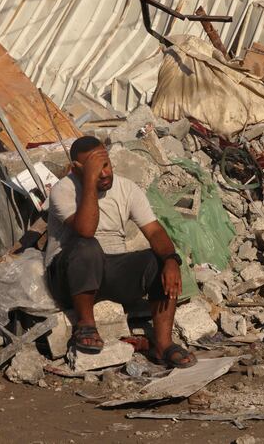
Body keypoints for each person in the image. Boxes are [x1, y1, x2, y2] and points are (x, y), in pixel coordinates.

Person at [45, 136, 196, 368]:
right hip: (70, 278)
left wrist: (171, 260)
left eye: (106, 165)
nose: (104, 173)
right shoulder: (63, 190)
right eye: (96, 168)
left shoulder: (127, 188)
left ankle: (163, 344)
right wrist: (89, 184)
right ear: (77, 169)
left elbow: (154, 231)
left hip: (111, 272)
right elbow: (85, 230)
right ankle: (85, 324)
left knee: (157, 260)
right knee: (87, 245)